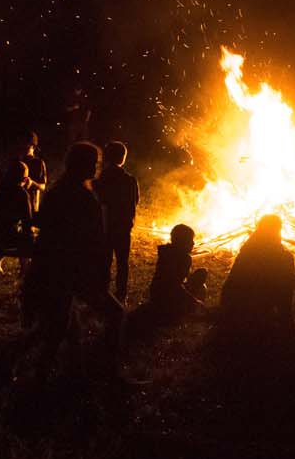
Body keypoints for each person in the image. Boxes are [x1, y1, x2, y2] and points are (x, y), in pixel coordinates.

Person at [22, 141, 124, 380]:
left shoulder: (57, 192)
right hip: (75, 271)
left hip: (55, 269)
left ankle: (60, 375)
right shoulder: (83, 198)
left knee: (62, 327)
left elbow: (46, 228)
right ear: (84, 165)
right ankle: (107, 371)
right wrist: (98, 274)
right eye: (94, 163)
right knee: (115, 314)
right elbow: (92, 240)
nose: (97, 167)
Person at [220, 214, 295, 332]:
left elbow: (230, 284)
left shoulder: (247, 250)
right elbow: (285, 288)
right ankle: (283, 317)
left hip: (236, 306)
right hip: (259, 308)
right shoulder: (284, 257)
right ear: (278, 230)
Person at [130, 224, 208, 328]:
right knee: (200, 283)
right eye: (190, 240)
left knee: (202, 272)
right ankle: (182, 313)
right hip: (168, 299)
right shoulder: (184, 258)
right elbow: (174, 287)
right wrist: (194, 301)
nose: (193, 243)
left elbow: (174, 281)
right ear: (183, 242)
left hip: (156, 294)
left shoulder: (167, 252)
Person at [94, 140, 140, 303]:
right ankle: (121, 295)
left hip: (105, 227)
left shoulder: (101, 179)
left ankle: (102, 292)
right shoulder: (130, 180)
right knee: (122, 262)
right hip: (123, 227)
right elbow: (136, 201)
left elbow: (99, 202)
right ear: (123, 159)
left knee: (104, 262)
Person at [0, 161, 32, 276]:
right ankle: (25, 268)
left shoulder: (0, 190)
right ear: (24, 178)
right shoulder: (22, 193)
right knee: (26, 239)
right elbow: (27, 220)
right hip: (7, 238)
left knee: (10, 234)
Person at [18, 131, 49, 219]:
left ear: (33, 146)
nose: (23, 147)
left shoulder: (38, 163)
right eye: (22, 144)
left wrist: (32, 183)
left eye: (27, 145)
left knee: (29, 229)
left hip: (31, 205)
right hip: (16, 204)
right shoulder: (18, 162)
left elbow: (43, 186)